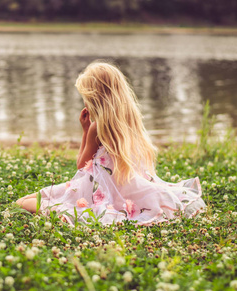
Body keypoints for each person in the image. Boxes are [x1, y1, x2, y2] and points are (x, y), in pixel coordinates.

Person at [16, 61, 206, 226]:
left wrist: (85, 130)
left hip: (93, 189)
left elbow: (82, 166)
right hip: (120, 187)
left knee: (23, 202)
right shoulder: (129, 122)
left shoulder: (97, 128)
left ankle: (62, 212)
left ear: (94, 97)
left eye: (85, 97)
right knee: (36, 198)